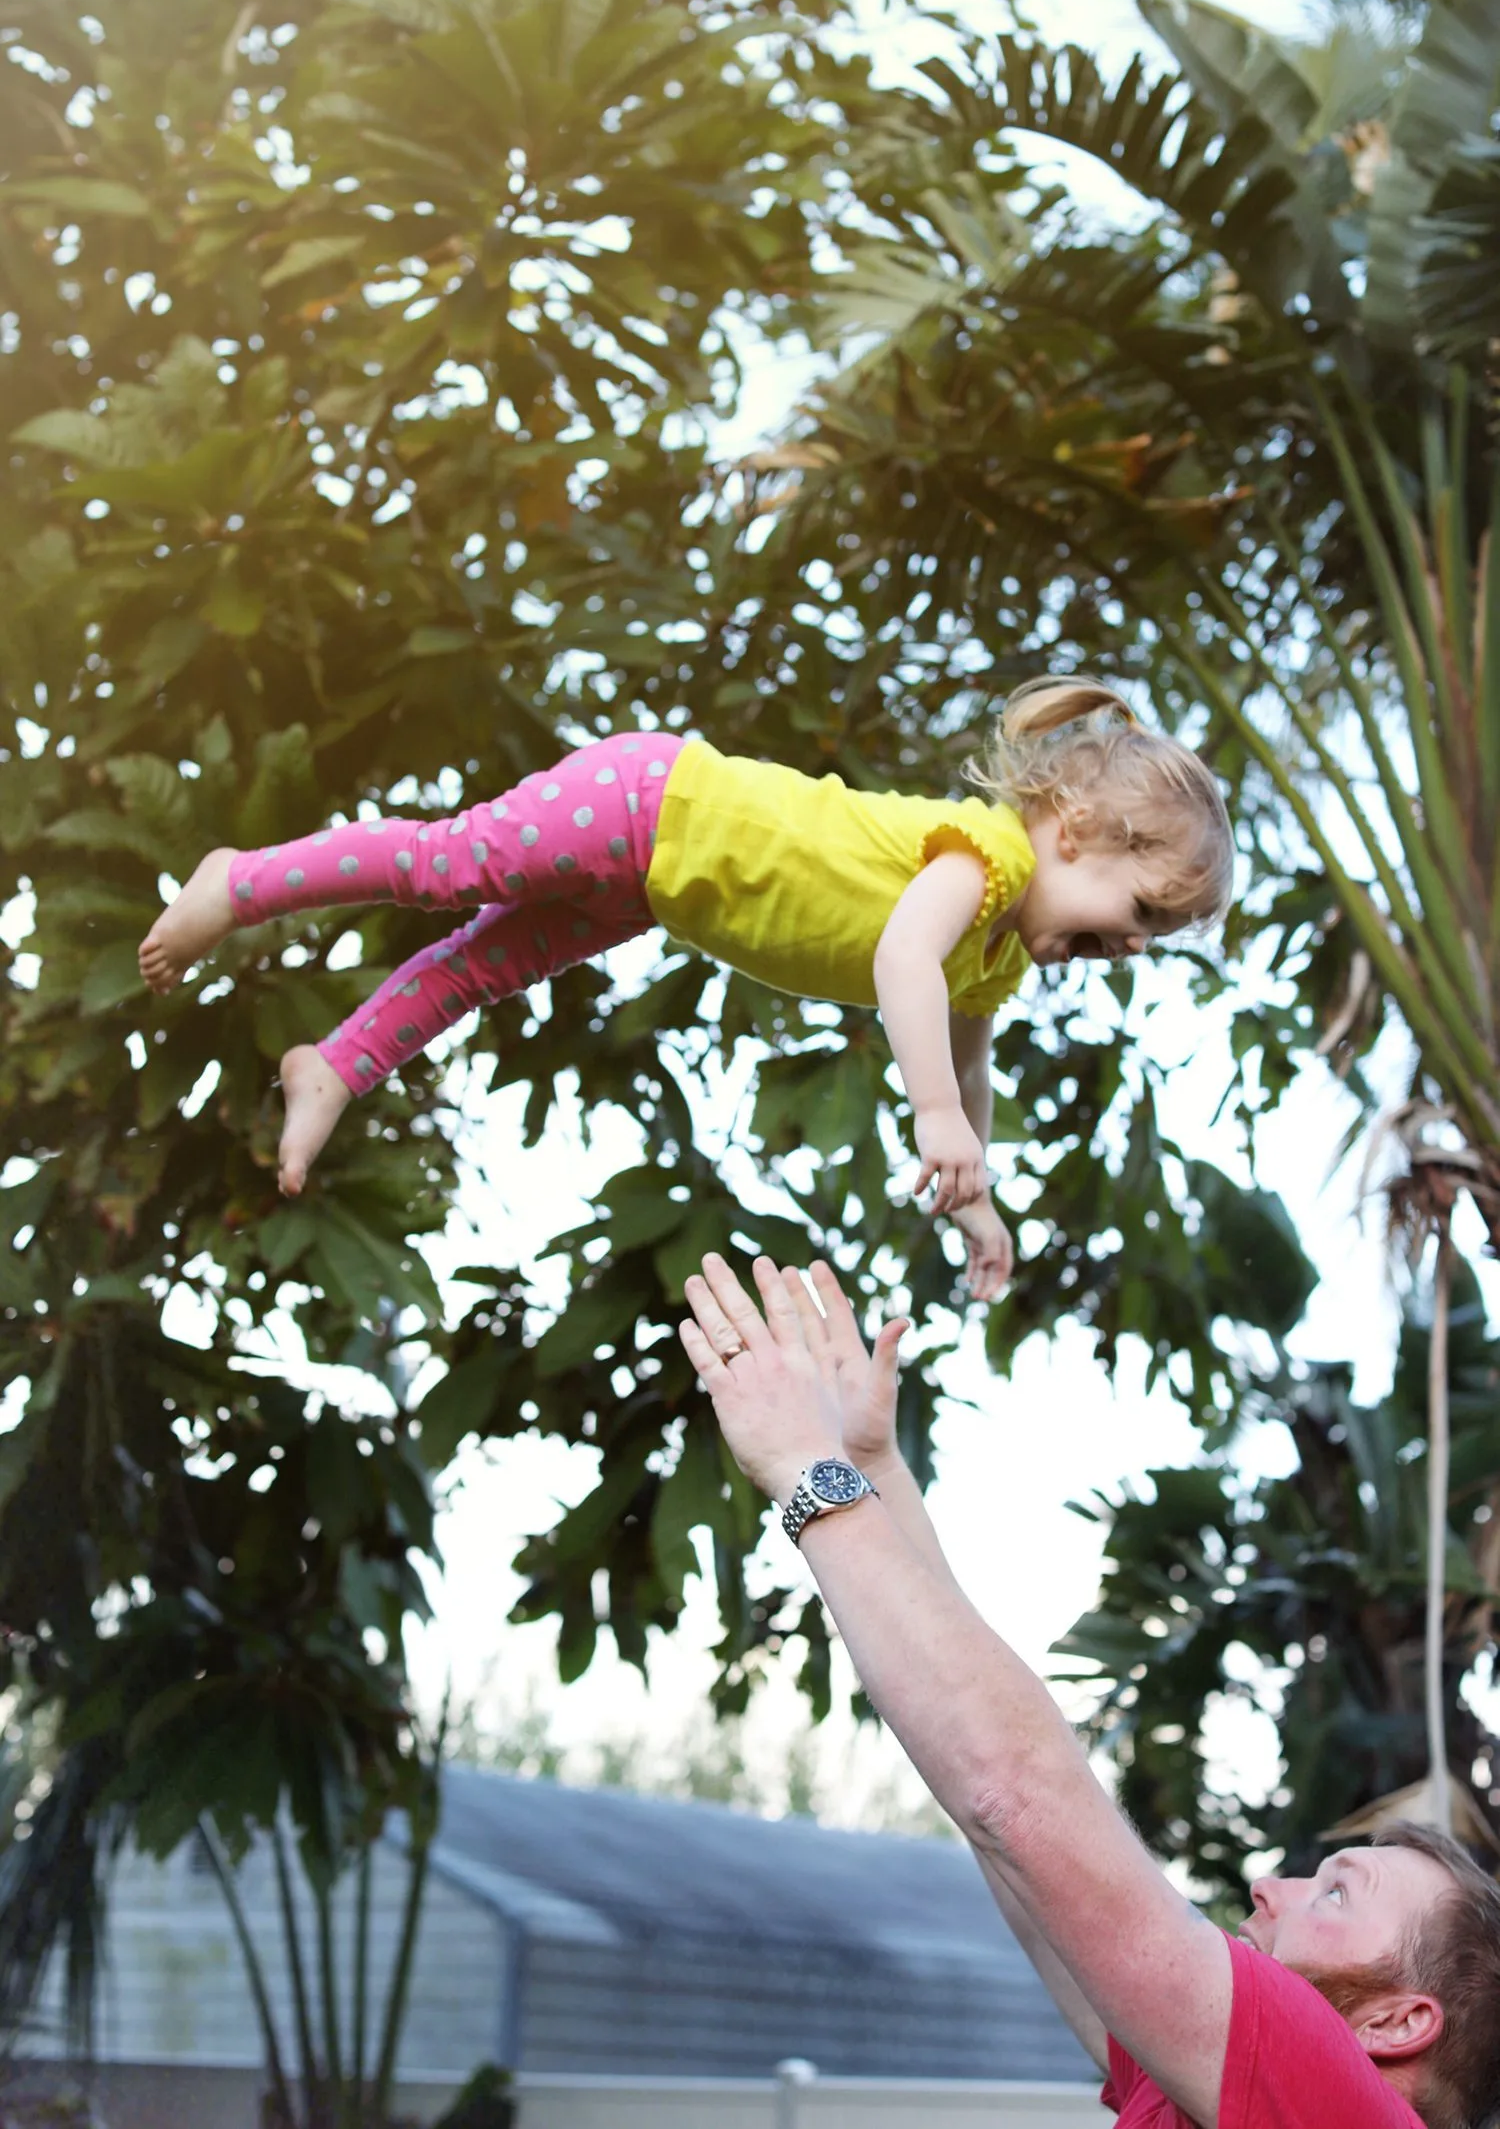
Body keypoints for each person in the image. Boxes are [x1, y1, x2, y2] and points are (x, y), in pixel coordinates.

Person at [679, 1251, 1500, 2129]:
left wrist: (808, 1472)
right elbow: (1014, 1843)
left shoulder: (1345, 2114)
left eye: (1335, 1892)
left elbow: (1019, 1798)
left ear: (1397, 2022)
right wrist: (872, 1467)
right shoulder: (1213, 2096)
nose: (1271, 1885)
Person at [138, 677, 1230, 1295]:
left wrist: (977, 1187)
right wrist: (933, 1116)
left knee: (486, 964)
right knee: (447, 865)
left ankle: (335, 1063)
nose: (1135, 947)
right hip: (647, 800)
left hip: (657, 885)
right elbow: (902, 959)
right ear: (1078, 832)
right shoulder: (982, 861)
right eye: (1141, 913)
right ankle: (242, 885)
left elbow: (968, 1057)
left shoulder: (994, 956)